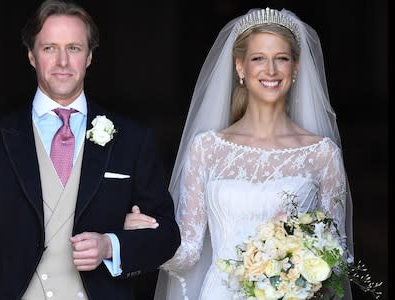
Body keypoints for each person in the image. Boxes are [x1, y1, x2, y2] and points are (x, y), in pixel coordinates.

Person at [0, 0, 180, 299]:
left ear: (90, 56)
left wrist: (111, 245)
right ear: (31, 56)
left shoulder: (132, 138)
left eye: (74, 48)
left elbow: (168, 235)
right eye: (49, 48)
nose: (63, 62)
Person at [125, 7, 354, 300]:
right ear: (240, 67)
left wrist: (294, 273)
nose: (270, 70)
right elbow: (188, 251)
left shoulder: (322, 155)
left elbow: (334, 257)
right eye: (258, 58)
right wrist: (148, 235)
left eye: (281, 59)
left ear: (295, 68)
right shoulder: (207, 149)